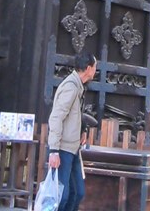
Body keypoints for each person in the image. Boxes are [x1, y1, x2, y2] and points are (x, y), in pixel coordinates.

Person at [48, 52, 96, 211]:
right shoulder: (70, 87)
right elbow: (56, 117)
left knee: (78, 192)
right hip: (62, 148)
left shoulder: (79, 86)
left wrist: (82, 129)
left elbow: (75, 114)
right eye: (94, 67)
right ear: (88, 68)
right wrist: (54, 150)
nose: (95, 70)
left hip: (73, 148)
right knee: (62, 195)